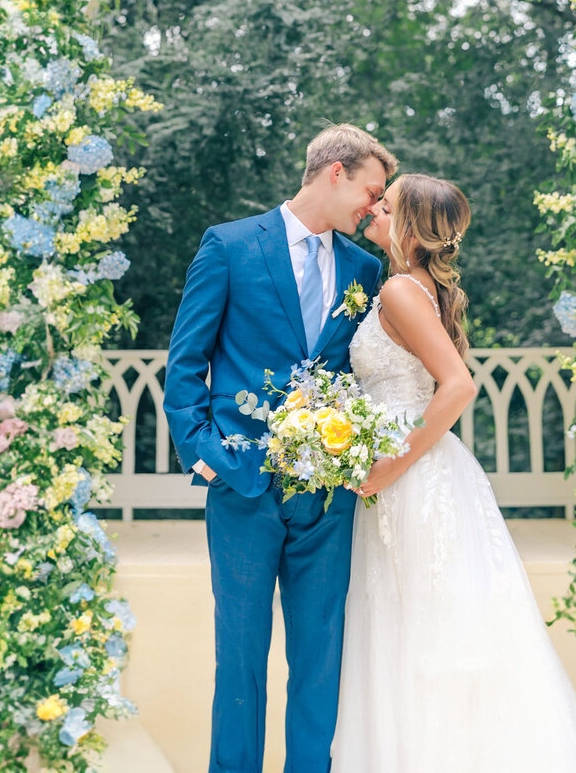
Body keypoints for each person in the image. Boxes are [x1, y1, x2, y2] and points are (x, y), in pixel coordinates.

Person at [331, 173, 576, 773]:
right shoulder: (412, 288)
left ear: (408, 226)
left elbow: (458, 385)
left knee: (422, 631)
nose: (373, 214)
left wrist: (393, 464)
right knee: (419, 624)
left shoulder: (400, 293)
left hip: (413, 475)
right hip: (418, 470)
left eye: (384, 208)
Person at [163, 124, 397, 773]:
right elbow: (185, 366)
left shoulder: (365, 268)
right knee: (238, 658)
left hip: (327, 497)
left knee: (320, 661)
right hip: (241, 485)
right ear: (334, 173)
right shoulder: (230, 246)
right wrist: (205, 453)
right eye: (371, 191)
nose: (374, 209)